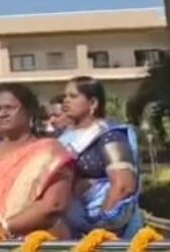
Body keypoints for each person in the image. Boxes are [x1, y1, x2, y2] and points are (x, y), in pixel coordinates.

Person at [0, 84, 74, 238]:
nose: (2, 114)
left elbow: (54, 205)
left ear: (29, 112)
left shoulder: (50, 152)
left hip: (35, 242)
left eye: (9, 108)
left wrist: (5, 228)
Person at [59, 76, 142, 238]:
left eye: (73, 96)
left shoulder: (109, 135)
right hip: (70, 229)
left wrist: (101, 229)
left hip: (109, 233)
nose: (65, 101)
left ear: (93, 103)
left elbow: (123, 186)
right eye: (65, 96)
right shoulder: (62, 138)